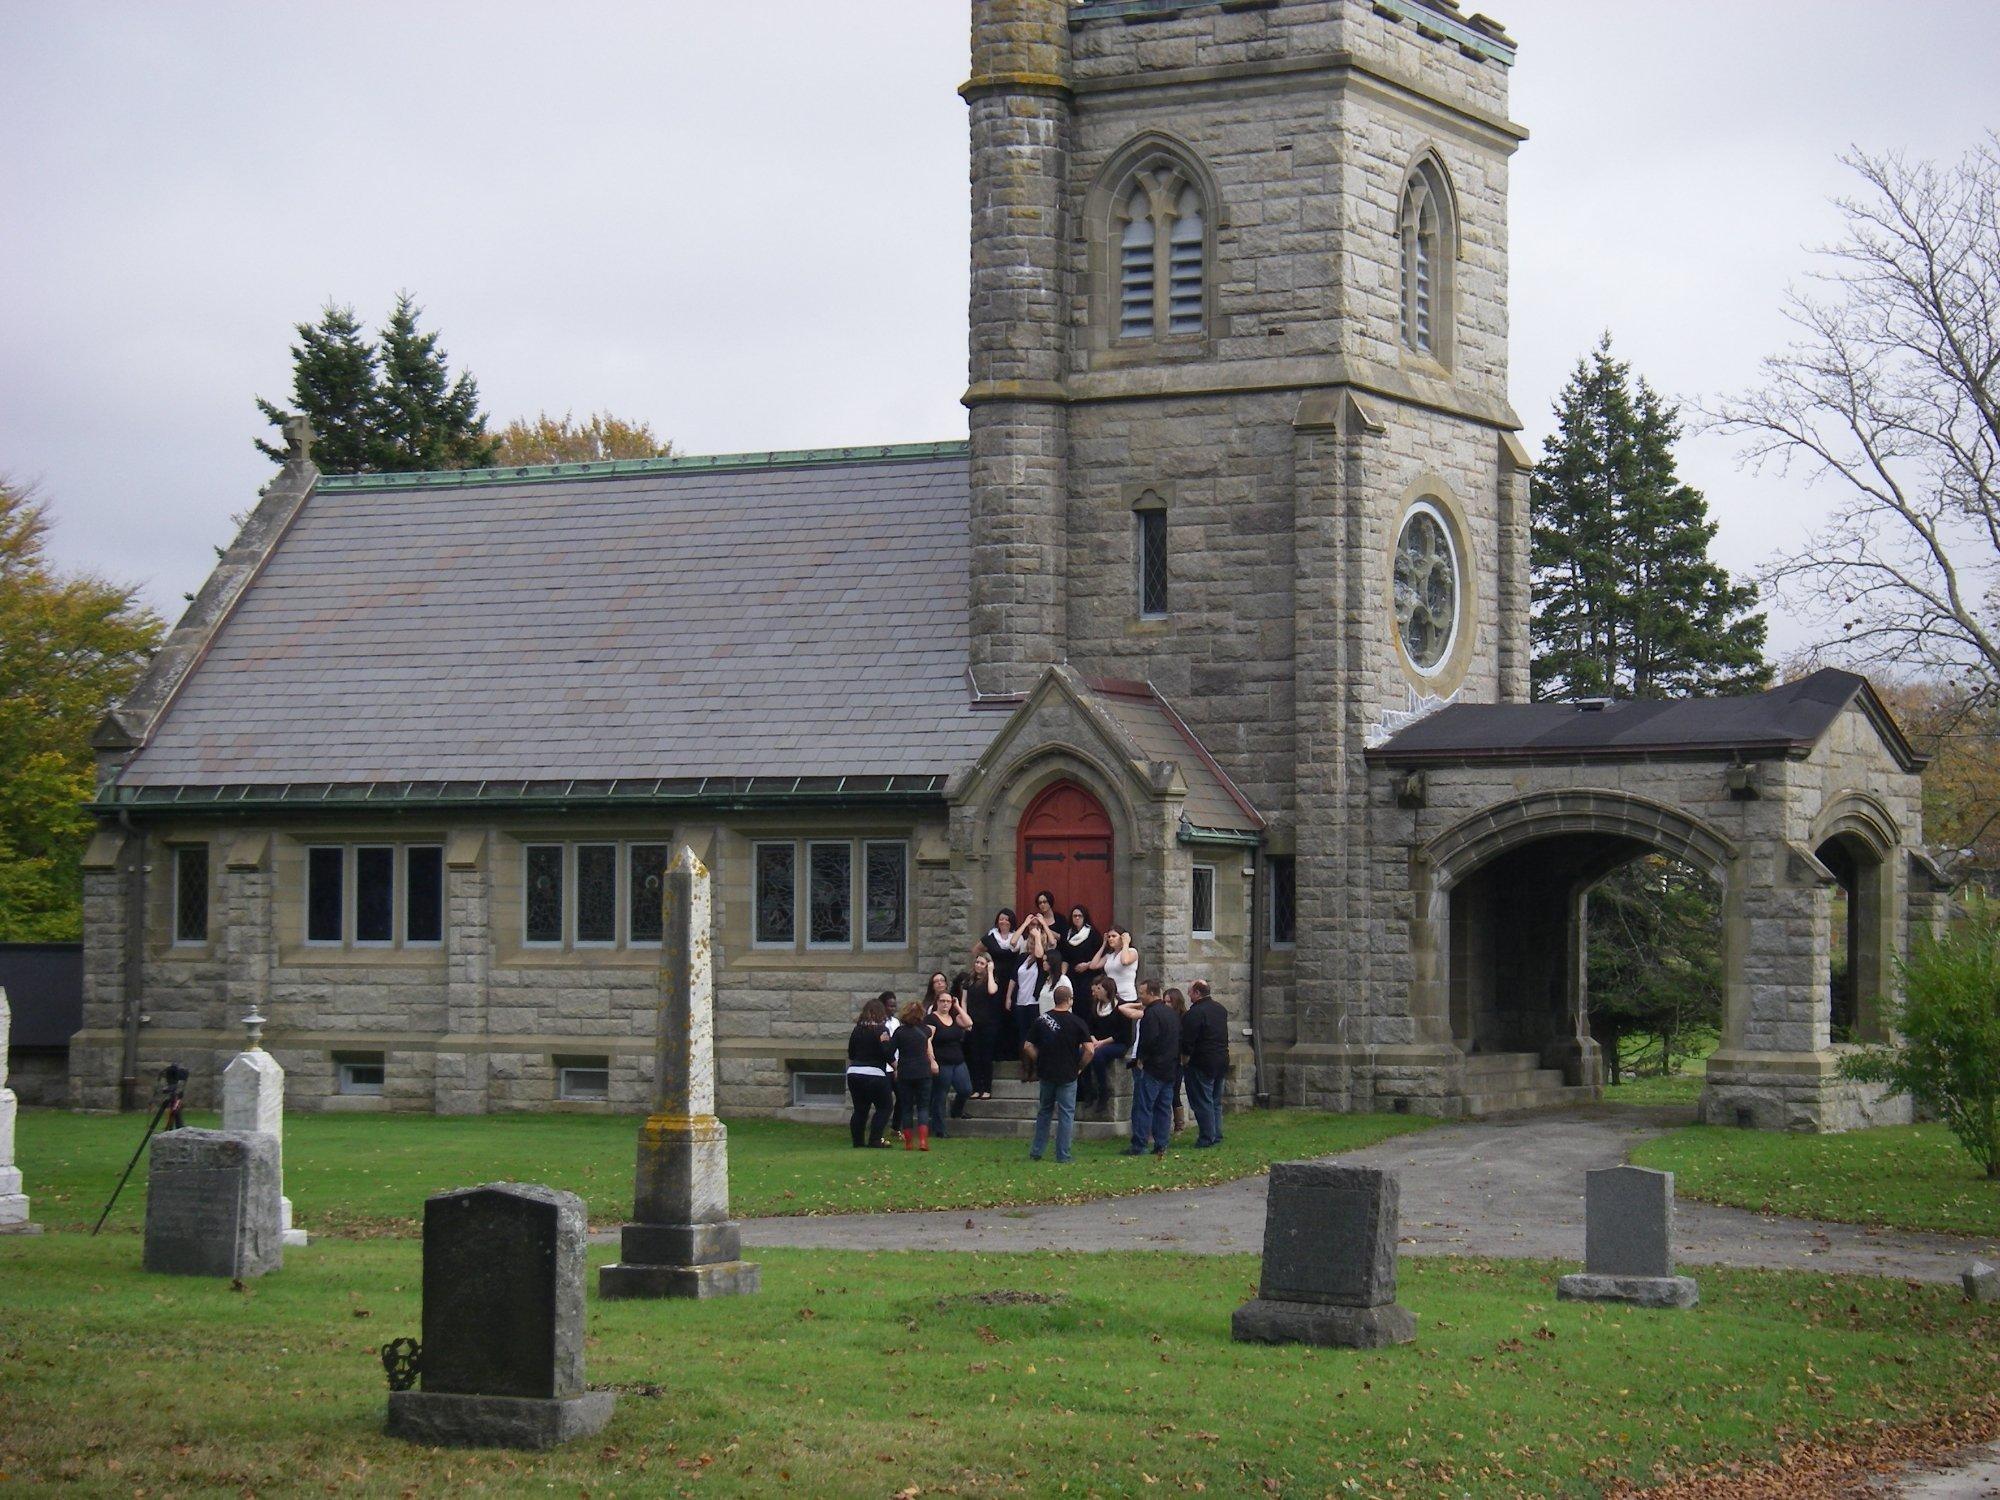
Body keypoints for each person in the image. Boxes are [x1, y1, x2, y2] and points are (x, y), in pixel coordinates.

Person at [1022, 976, 1096, 1164]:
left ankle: (1037, 1151)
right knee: (1066, 1114)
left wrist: (1040, 1059)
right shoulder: (1077, 1022)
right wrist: (1080, 1067)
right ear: (1070, 1000)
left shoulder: (1042, 1020)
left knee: (1044, 1111)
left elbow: (1027, 1046)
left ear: (1054, 999)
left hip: (1046, 1072)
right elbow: (1090, 1050)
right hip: (1068, 1073)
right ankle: (1063, 1155)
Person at [1123, 982, 1181, 1156]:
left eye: (1142, 993)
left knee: (1144, 1106)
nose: (1140, 996)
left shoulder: (1151, 1014)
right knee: (1163, 1108)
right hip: (1169, 1067)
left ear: (1152, 993)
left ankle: (1139, 1144)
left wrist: (1141, 1058)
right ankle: (1161, 1143)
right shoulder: (1172, 1014)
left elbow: (1148, 1040)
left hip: (1153, 1067)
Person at [1180, 979, 1230, 1148]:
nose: (1188, 995)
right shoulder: (1220, 1010)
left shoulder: (1195, 1013)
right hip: (1221, 1060)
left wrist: (1184, 1058)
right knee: (1215, 1101)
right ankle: (1216, 1134)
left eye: (1190, 992)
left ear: (1197, 993)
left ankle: (1207, 1137)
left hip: (1201, 1062)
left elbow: (1188, 1040)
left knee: (1202, 1101)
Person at [925, 972, 974, 1136]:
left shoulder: (954, 1016)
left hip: (958, 1061)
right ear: (937, 1002)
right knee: (940, 1096)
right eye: (942, 1001)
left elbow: (968, 1023)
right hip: (942, 1063)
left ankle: (956, 1110)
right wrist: (932, 1061)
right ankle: (939, 1129)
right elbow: (927, 1040)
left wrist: (958, 1006)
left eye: (948, 1001)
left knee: (966, 1089)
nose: (945, 1004)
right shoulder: (932, 1019)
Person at [885, 999, 938, 1150]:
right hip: (923, 1071)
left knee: (907, 1107)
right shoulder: (925, 1031)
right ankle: (923, 1141)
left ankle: (908, 1142)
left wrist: (895, 1067)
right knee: (923, 1107)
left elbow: (889, 1052)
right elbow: (931, 1031)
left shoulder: (899, 1032)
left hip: (905, 1072)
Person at [845, 997, 895, 1148]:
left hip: (854, 1072)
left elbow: (851, 1053)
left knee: (860, 1109)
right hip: (875, 1074)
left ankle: (858, 1142)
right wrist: (896, 1065)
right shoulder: (882, 1030)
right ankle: (875, 1139)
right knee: (884, 1107)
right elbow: (886, 1052)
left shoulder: (857, 1029)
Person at [1078, 973, 1129, 1117]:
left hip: (1116, 1043)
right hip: (1097, 1042)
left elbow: (1123, 1034)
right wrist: (1093, 1040)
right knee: (1082, 1053)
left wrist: (1102, 1042)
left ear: (1107, 989)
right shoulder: (1096, 1005)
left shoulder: (1122, 1006)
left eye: (1099, 989)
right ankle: (1088, 1091)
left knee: (1098, 1056)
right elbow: (1089, 1026)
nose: (1095, 992)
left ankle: (1103, 1092)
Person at [979, 909, 1026, 1058]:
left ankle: (1012, 1052)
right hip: (995, 981)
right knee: (995, 1014)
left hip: (1012, 982)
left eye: (1007, 919)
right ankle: (996, 1052)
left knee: (1011, 1015)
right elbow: (976, 951)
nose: (1004, 922)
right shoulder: (991, 936)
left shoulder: (1017, 937)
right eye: (1001, 919)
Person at [1010, 918, 1052, 1061]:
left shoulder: (1043, 961)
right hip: (1021, 1001)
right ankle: (1025, 1065)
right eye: (1032, 942)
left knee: (1035, 1035)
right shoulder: (1022, 958)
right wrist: (1008, 997)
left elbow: (1040, 955)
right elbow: (1013, 978)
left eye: (1035, 942)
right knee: (1022, 1035)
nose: (1033, 944)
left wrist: (1038, 937)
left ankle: (1037, 1065)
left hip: (1034, 1002)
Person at [961, 954, 1003, 1099]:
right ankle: (976, 1087)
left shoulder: (991, 979)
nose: (978, 965)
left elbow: (992, 990)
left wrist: (990, 971)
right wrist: (965, 1018)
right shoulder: (969, 980)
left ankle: (986, 1088)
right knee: (974, 1056)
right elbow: (964, 1001)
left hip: (988, 1023)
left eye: (982, 963)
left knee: (986, 1056)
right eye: (977, 962)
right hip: (973, 1023)